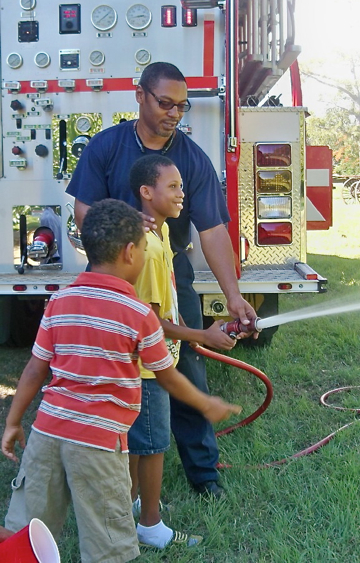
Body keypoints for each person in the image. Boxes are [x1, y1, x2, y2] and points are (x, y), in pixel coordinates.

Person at [1, 199, 241, 563]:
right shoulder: (138, 313)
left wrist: (14, 421)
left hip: (47, 434)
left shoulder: (60, 300)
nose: (145, 257)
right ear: (130, 252)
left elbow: (36, 369)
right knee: (109, 545)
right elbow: (167, 377)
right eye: (145, 250)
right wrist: (207, 404)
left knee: (23, 532)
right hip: (98, 444)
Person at [66, 61, 258, 498]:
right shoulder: (107, 146)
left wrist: (233, 296)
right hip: (109, 278)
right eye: (165, 103)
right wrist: (120, 223)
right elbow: (82, 211)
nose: (174, 113)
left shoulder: (191, 158)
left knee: (184, 363)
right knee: (109, 374)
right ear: (140, 96)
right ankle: (108, 473)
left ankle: (204, 475)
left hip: (169, 273)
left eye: (182, 105)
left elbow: (211, 229)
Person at [128, 155, 238, 549]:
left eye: (181, 186)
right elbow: (151, 323)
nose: (182, 194)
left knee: (140, 444)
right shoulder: (150, 247)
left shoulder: (158, 238)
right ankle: (150, 525)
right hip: (146, 370)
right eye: (172, 187)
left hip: (151, 363)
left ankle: (130, 507)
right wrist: (202, 335)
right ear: (146, 193)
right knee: (152, 446)